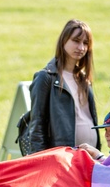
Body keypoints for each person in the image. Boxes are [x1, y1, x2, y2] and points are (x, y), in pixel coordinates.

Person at [27, 19, 99, 154]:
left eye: (85, 43)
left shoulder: (84, 79)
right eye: (76, 41)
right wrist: (40, 161)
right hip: (62, 160)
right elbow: (37, 125)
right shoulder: (46, 77)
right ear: (63, 40)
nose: (81, 48)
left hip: (90, 158)